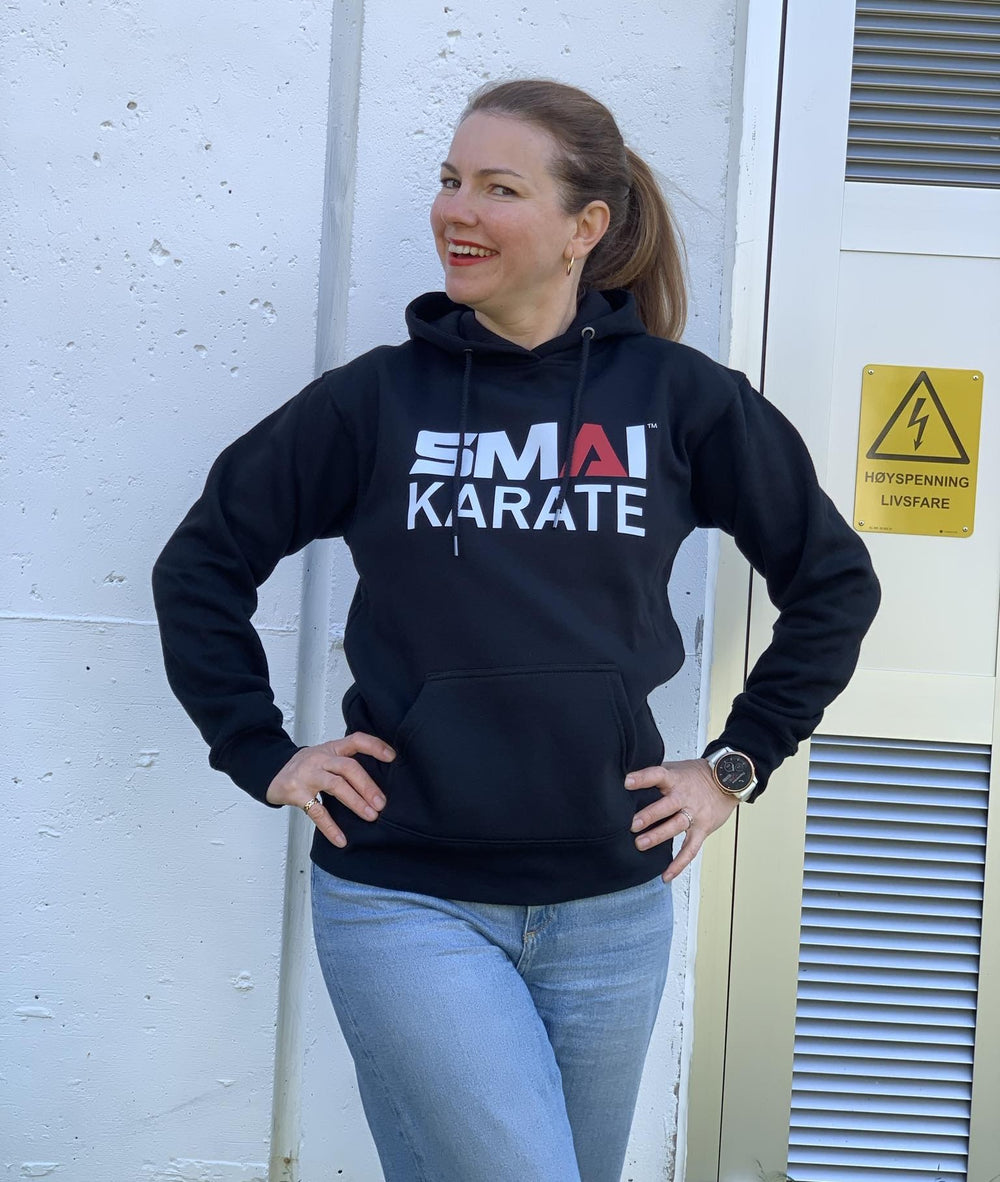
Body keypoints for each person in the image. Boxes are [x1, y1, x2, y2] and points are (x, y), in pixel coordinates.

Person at [151, 78, 880, 1182]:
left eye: (499, 188)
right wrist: (260, 749)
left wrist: (736, 763)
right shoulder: (374, 404)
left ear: (586, 227)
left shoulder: (682, 401)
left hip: (611, 910)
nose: (458, 210)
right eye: (451, 180)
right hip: (405, 896)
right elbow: (201, 565)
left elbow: (832, 582)